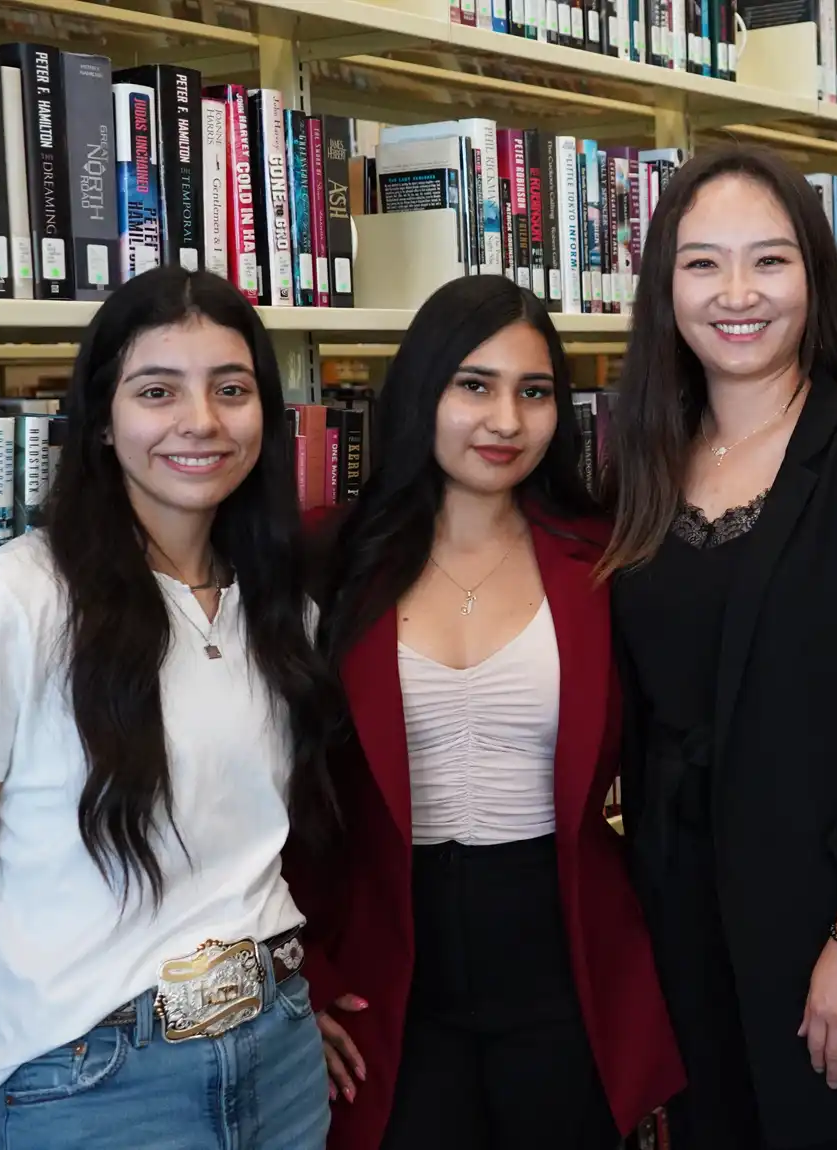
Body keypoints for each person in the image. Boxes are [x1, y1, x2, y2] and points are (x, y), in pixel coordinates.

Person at [0, 267, 343, 1150]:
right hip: (99, 1085)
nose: (200, 420)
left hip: (281, 1057)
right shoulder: (10, 605)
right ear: (104, 423)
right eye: (158, 390)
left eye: (231, 390)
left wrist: (285, 1001)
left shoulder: (280, 607)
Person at [602, 144, 837, 1150]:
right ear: (662, 285)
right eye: (701, 263)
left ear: (815, 276)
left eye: (768, 261)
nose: (736, 294)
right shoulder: (639, 463)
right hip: (685, 927)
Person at [284, 274, 686, 1150]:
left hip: (564, 957)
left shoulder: (605, 558)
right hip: (387, 966)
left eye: (534, 392)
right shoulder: (329, 560)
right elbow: (268, 789)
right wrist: (298, 978)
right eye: (475, 385)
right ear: (422, 390)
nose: (505, 420)